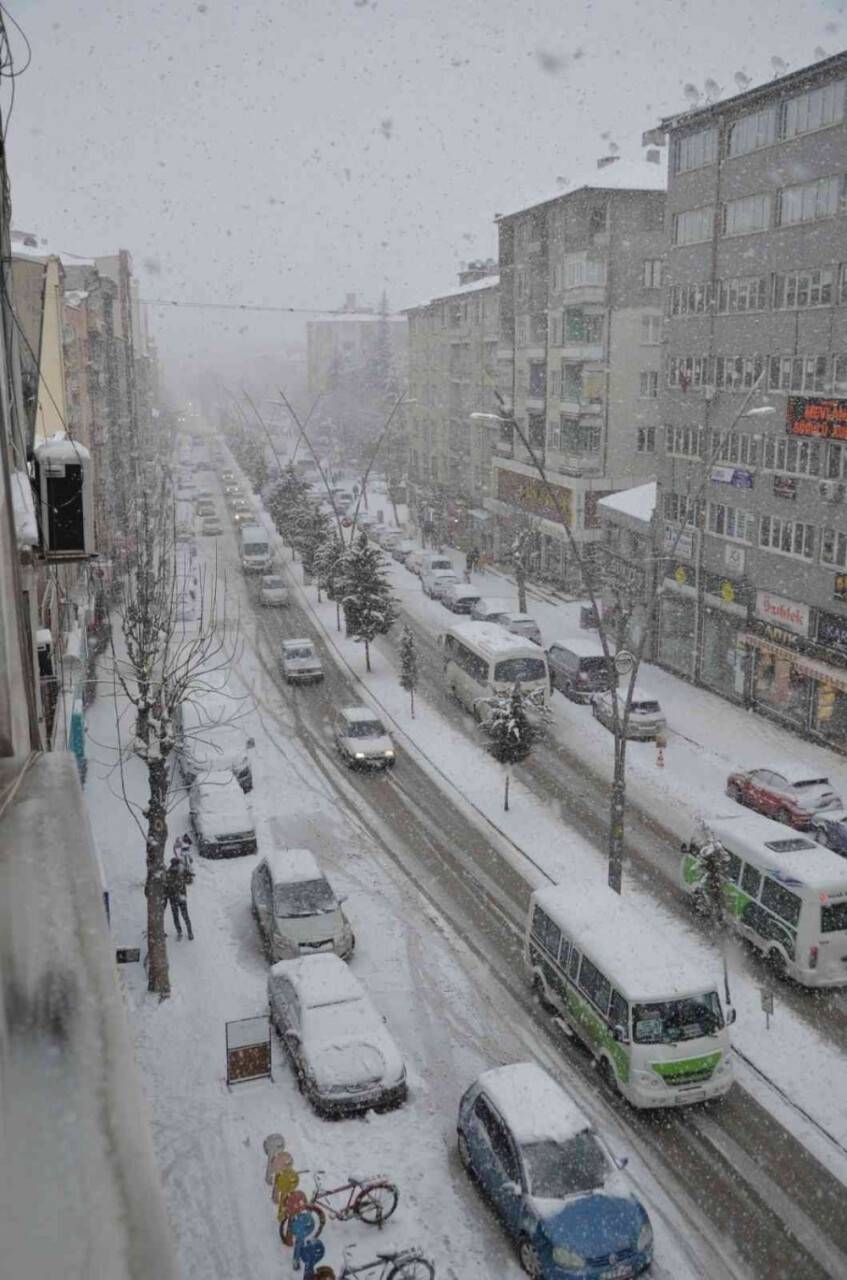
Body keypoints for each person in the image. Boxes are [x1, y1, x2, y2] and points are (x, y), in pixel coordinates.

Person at [165, 855, 194, 940]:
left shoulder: (168, 872)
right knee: (185, 916)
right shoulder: (181, 870)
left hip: (173, 897)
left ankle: (180, 932)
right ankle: (190, 933)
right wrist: (188, 876)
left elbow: (166, 886)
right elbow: (189, 881)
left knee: (176, 916)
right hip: (181, 897)